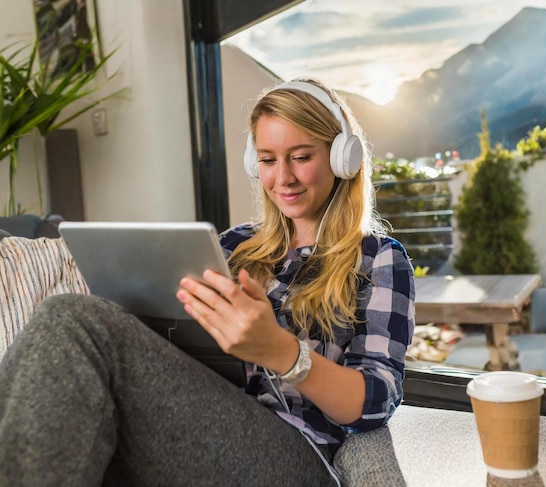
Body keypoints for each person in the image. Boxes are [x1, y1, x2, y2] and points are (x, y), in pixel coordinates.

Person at [0, 78, 415, 486]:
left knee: (71, 318)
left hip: (294, 454)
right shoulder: (234, 247)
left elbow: (375, 400)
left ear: (343, 157)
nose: (283, 177)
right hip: (198, 424)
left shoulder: (378, 258)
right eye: (268, 160)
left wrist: (282, 352)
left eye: (301, 156)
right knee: (73, 328)